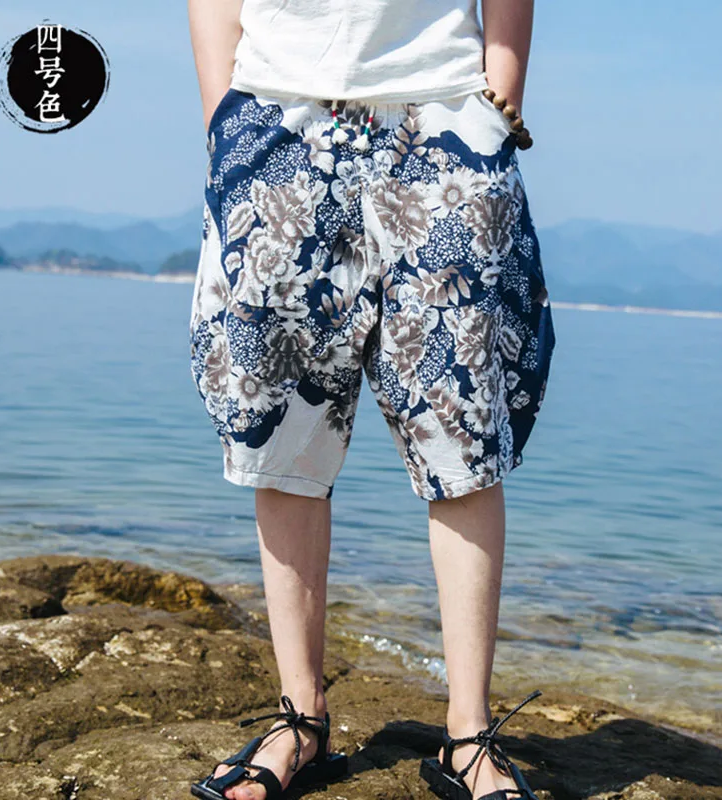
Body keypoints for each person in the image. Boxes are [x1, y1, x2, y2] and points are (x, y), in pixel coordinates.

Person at [187, 1, 556, 798]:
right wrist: (225, 121)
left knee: (463, 437)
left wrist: (498, 100)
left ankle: (469, 734)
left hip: (445, 112)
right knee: (282, 433)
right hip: (277, 116)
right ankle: (300, 718)